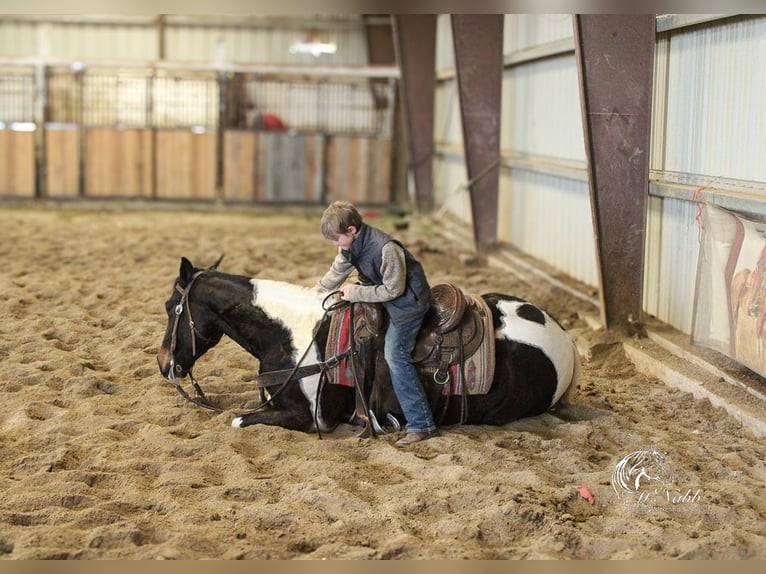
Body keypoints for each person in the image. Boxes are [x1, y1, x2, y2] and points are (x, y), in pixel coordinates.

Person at [315, 201, 437, 447]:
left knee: (395, 354)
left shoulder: (386, 248)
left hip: (407, 305)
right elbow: (336, 273)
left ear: (351, 230)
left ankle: (421, 423)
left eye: (336, 239)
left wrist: (357, 294)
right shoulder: (349, 246)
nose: (334, 245)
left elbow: (394, 289)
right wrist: (316, 291)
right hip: (382, 298)